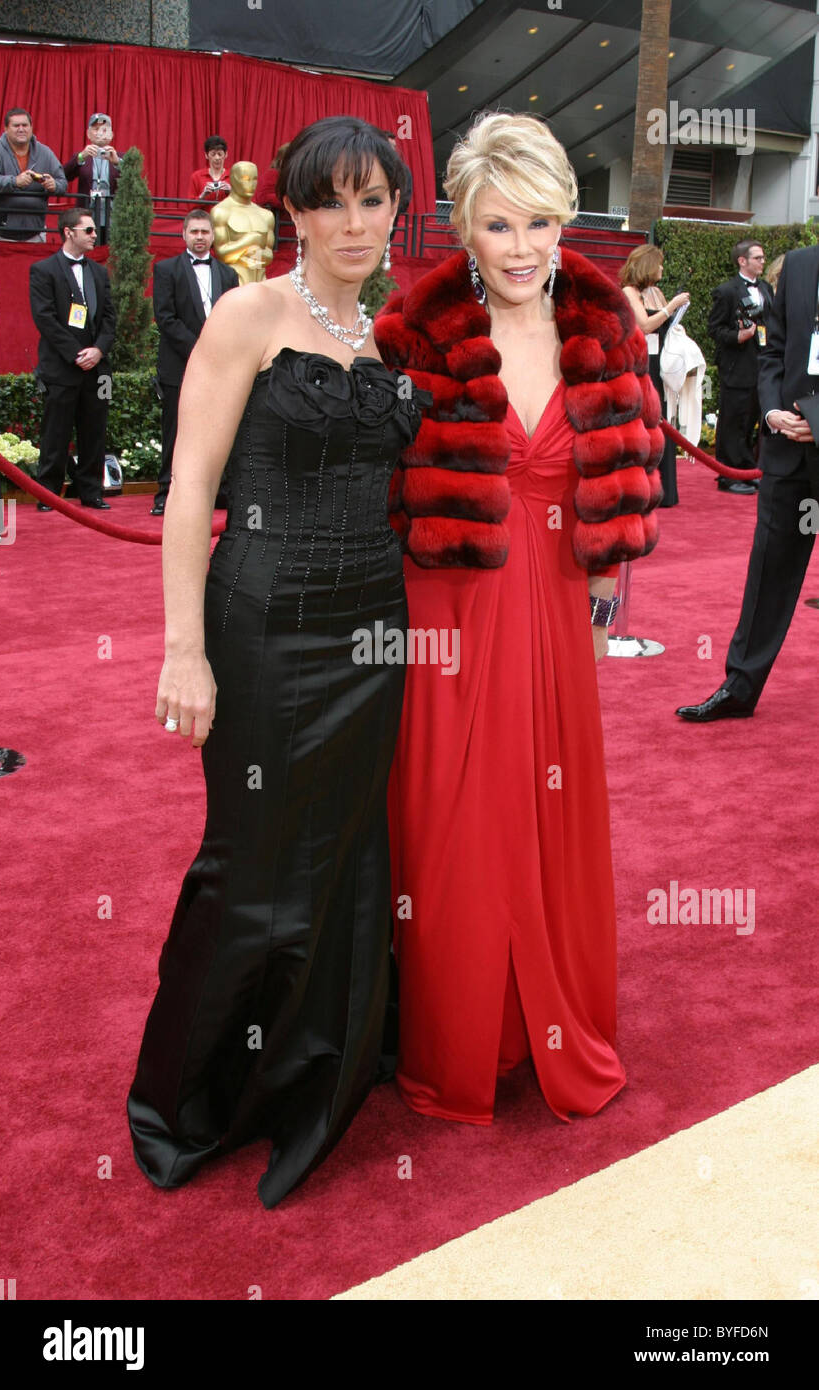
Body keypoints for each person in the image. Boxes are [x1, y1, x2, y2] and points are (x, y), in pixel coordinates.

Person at [127, 116, 426, 1209]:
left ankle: (315, 1075)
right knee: (250, 863)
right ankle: (190, 1095)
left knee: (348, 858)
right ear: (290, 211)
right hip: (260, 625)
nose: (355, 222)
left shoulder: (395, 338)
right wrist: (183, 651)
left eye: (373, 200)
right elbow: (189, 490)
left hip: (372, 629)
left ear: (398, 210)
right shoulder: (250, 313)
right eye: (330, 201)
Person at [375, 111, 663, 1128]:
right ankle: (463, 1034)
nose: (523, 247)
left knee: (547, 811)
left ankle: (546, 1022)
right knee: (453, 820)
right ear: (462, 226)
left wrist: (599, 600)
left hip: (552, 607)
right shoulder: (418, 327)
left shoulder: (601, 322)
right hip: (445, 611)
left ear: (565, 222)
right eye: (498, 225)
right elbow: (376, 489)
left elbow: (628, 474)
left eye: (541, 222)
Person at [676, 243, 819, 723]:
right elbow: (774, 351)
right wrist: (774, 408)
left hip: (810, 428)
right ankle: (740, 686)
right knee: (768, 574)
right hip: (789, 450)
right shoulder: (799, 266)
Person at [150, 209, 239, 515]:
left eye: (204, 232)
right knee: (175, 428)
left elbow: (235, 318)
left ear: (213, 236)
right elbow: (165, 317)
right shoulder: (165, 270)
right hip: (179, 364)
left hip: (220, 368)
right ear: (184, 235)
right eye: (194, 232)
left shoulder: (229, 275)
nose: (200, 237)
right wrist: (200, 347)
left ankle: (219, 490)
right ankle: (166, 492)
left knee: (219, 429)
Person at [29, 207, 115, 510]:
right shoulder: (43, 270)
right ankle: (49, 494)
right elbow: (45, 319)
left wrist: (98, 350)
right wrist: (76, 354)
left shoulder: (100, 272)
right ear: (69, 232)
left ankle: (91, 492)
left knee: (94, 432)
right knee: (56, 432)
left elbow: (108, 319)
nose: (94, 235)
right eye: (88, 230)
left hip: (97, 369)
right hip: (61, 367)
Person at [620, 244, 690, 507]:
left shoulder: (656, 292)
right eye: (658, 263)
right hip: (639, 362)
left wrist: (673, 312)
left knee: (663, 418)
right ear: (647, 265)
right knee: (644, 420)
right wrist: (671, 306)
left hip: (660, 361)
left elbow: (665, 326)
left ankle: (664, 489)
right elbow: (645, 324)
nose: (661, 268)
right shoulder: (628, 292)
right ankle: (639, 487)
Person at [708, 240, 774, 496]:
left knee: (751, 421)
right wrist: (738, 336)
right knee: (732, 421)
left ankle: (746, 471)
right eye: (757, 257)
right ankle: (727, 475)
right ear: (742, 261)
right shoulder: (726, 291)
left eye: (763, 257)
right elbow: (714, 330)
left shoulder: (767, 289)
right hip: (736, 367)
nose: (762, 261)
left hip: (762, 365)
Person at [0, 108, 66, 242]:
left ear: (31, 128)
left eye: (25, 125)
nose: (21, 129)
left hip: (37, 234)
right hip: (0, 234)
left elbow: (63, 183)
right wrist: (14, 181)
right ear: (6, 129)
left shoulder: (45, 152)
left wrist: (54, 185)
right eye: (16, 126)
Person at [63, 113, 123, 245]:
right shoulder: (82, 156)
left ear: (111, 134)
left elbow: (134, 180)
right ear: (88, 134)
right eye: (96, 129)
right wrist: (80, 157)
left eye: (104, 129)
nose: (100, 133)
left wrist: (117, 163)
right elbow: (63, 176)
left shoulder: (121, 157)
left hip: (112, 217)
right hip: (87, 215)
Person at [186, 136, 230, 204]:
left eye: (220, 154)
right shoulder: (196, 176)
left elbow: (242, 206)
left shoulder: (233, 177)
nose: (217, 158)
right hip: (204, 214)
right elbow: (189, 206)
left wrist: (232, 193)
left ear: (226, 154)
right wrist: (202, 196)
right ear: (206, 155)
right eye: (213, 154)